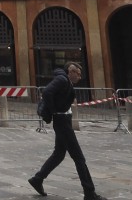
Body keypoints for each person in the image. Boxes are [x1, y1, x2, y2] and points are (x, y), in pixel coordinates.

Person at [28, 63, 107, 200]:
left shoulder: (65, 80)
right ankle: (89, 192)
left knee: (59, 154)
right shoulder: (62, 79)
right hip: (62, 121)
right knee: (79, 158)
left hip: (64, 120)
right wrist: (54, 111)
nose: (80, 76)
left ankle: (37, 179)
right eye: (78, 73)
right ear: (71, 71)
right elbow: (47, 92)